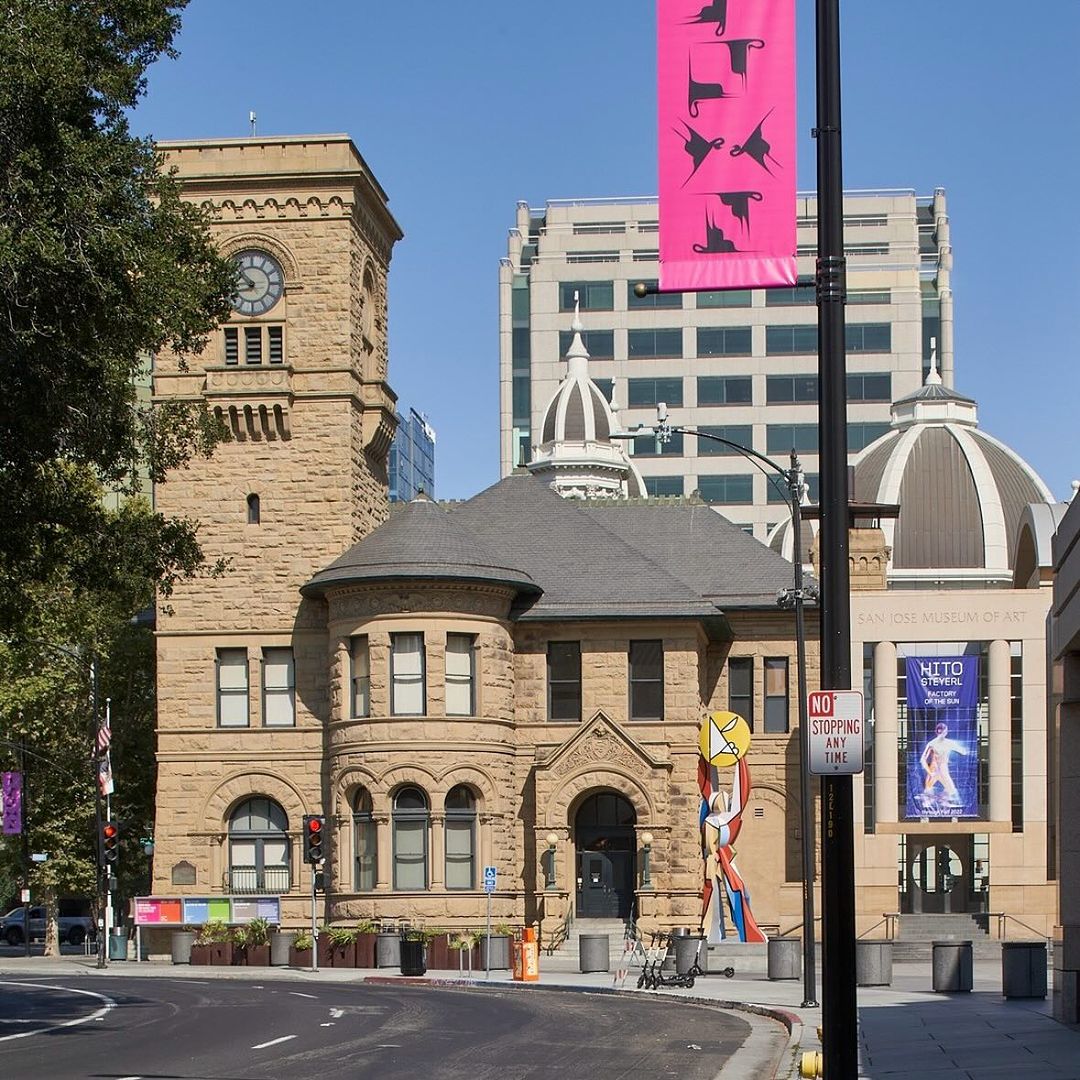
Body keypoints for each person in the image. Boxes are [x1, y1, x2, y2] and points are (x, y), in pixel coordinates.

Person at [918, 721, 970, 808]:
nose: (941, 734)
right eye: (940, 732)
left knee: (952, 793)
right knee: (928, 797)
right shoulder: (932, 744)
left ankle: (943, 801)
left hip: (941, 771)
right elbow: (922, 759)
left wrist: (966, 751)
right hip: (934, 770)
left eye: (943, 732)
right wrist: (930, 772)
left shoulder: (947, 743)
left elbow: (963, 751)